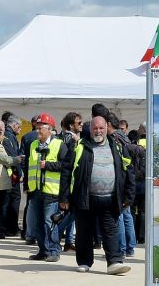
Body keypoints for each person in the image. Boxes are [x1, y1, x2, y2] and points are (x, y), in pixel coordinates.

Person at [59, 115, 133, 275]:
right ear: (90, 129)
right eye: (95, 128)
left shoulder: (117, 146)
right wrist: (64, 197)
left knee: (111, 231)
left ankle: (114, 262)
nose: (98, 131)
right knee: (84, 231)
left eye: (101, 128)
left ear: (107, 128)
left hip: (111, 198)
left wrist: (128, 196)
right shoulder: (79, 146)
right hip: (85, 197)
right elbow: (66, 171)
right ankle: (84, 262)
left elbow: (128, 171)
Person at [25, 113, 63, 262]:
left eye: (41, 128)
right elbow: (29, 165)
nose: (37, 131)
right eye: (37, 128)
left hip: (51, 191)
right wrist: (27, 185)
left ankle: (54, 251)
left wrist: (48, 165)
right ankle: (43, 250)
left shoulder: (59, 145)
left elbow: (66, 166)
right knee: (36, 222)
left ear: (50, 129)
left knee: (50, 222)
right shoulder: (33, 144)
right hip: (35, 190)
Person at [107, 112, 138, 256]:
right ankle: (130, 247)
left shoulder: (114, 140)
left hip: (120, 182)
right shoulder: (125, 138)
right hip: (128, 181)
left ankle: (121, 248)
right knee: (127, 216)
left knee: (119, 216)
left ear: (108, 125)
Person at [58, 111, 82, 251]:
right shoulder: (69, 139)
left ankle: (67, 241)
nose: (82, 124)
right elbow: (67, 164)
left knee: (71, 213)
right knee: (70, 213)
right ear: (71, 125)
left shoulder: (75, 137)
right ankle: (55, 236)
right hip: (69, 184)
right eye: (79, 123)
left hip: (72, 183)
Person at [0, 113, 25, 238]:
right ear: (14, 125)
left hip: (10, 173)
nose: (20, 130)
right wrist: (19, 173)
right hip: (11, 174)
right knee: (12, 200)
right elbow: (13, 156)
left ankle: (7, 227)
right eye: (19, 127)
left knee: (8, 201)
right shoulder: (9, 137)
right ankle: (9, 227)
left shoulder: (9, 136)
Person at [20, 115, 42, 243]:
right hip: (45, 180)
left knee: (30, 207)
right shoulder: (53, 138)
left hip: (31, 178)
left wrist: (24, 173)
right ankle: (35, 234)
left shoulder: (27, 137)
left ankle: (28, 233)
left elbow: (22, 158)